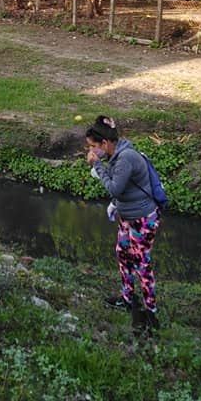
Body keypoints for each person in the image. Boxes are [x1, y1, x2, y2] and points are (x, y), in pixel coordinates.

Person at [86, 115, 161, 330]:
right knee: (123, 254)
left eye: (93, 146)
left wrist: (98, 165)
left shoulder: (125, 157)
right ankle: (127, 299)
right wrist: (115, 204)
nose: (91, 151)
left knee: (141, 263)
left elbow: (114, 188)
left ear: (105, 143)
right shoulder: (116, 154)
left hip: (142, 219)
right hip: (127, 217)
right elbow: (121, 187)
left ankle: (150, 312)